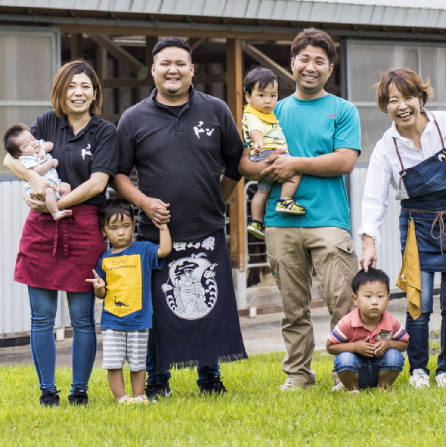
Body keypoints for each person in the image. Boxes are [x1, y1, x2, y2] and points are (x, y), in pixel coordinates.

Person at [114, 36, 247, 399]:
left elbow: (236, 163)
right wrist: (144, 202)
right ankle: (159, 381)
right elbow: (119, 173)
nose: (173, 70)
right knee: (159, 311)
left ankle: (210, 377)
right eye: (165, 64)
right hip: (154, 234)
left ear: (192, 70)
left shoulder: (216, 110)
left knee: (208, 301)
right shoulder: (133, 118)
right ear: (153, 70)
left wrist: (219, 200)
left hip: (206, 228)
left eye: (180, 64)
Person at [242, 27, 361, 392]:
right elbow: (246, 163)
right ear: (292, 64)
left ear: (330, 68)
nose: (311, 67)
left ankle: (346, 372)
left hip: (328, 220)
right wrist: (270, 167)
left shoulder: (343, 110)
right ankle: (298, 374)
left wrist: (293, 164)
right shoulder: (269, 109)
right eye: (304, 59)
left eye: (319, 61)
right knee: (293, 307)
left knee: (342, 302)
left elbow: (344, 161)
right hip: (279, 221)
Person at [358, 68, 446, 389]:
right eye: (393, 100)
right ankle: (418, 369)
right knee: (420, 302)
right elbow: (374, 199)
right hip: (418, 229)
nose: (402, 106)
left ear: (420, 98)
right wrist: (368, 242)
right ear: (385, 107)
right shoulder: (386, 146)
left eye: (408, 97)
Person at [4, 60, 118, 407]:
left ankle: (79, 391)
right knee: (41, 317)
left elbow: (98, 182)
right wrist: (37, 185)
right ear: (60, 91)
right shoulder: (45, 123)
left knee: (83, 318)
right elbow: (10, 160)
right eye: (71, 86)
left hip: (83, 225)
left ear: (95, 92)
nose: (78, 93)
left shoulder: (104, 132)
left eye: (85, 86)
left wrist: (57, 202)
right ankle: (47, 392)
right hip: (41, 228)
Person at [87, 198, 171, 403]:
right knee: (114, 363)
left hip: (139, 319)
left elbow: (164, 250)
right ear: (104, 231)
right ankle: (121, 398)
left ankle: (139, 395)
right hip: (112, 320)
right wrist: (99, 288)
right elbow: (101, 294)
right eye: (114, 228)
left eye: (126, 226)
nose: (121, 232)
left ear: (134, 225)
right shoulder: (104, 259)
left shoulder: (143, 250)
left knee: (137, 362)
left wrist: (163, 225)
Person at [326, 268, 409, 393]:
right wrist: (355, 347)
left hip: (380, 370)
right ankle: (353, 389)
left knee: (394, 356)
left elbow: (404, 343)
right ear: (355, 299)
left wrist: (388, 344)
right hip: (356, 370)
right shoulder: (347, 322)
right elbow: (330, 346)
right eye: (368, 296)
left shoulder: (391, 322)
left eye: (380, 296)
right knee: (345, 358)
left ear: (387, 299)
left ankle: (382, 387)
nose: (375, 302)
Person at [243, 67, 302, 241]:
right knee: (295, 167)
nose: (268, 101)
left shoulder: (263, 113)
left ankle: (256, 221)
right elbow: (255, 130)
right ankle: (285, 199)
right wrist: (258, 141)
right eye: (261, 95)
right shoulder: (254, 115)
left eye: (273, 95)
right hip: (267, 152)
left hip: (263, 155)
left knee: (262, 190)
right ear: (248, 97)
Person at [3, 125, 72, 221]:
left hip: (53, 182)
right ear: (18, 154)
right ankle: (55, 213)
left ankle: (60, 206)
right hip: (40, 189)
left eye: (33, 139)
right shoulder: (26, 158)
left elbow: (50, 144)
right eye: (26, 145)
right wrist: (51, 163)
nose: (33, 143)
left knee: (66, 187)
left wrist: (43, 149)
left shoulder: (39, 146)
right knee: (49, 191)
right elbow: (38, 171)